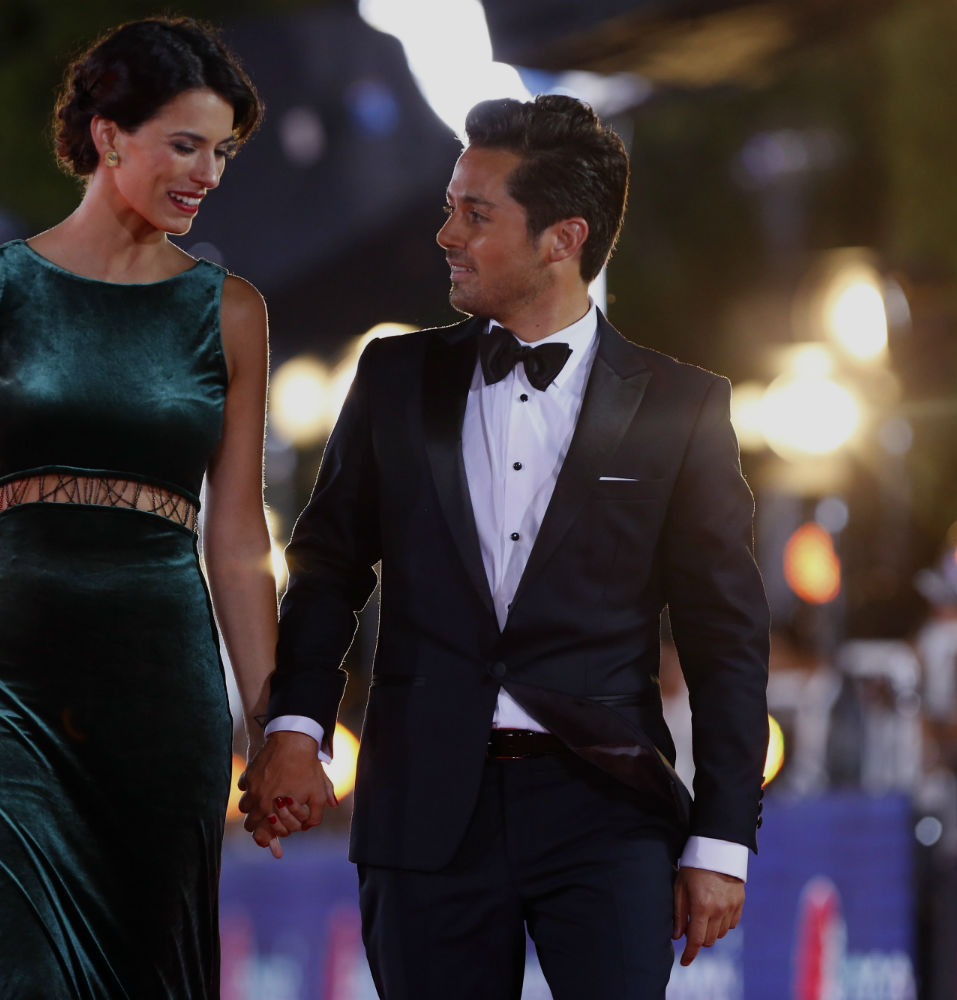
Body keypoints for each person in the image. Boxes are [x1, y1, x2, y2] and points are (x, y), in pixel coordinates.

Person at [240, 95, 770, 997]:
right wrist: (295, 727)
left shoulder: (682, 407)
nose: (446, 233)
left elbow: (726, 638)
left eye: (475, 214)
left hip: (608, 811)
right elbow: (327, 566)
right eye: (450, 207)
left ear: (563, 238)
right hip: (421, 803)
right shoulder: (394, 378)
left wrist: (721, 840)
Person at [0, 18, 276, 998]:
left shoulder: (232, 312)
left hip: (162, 690)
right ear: (109, 134)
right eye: (185, 145)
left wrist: (273, 724)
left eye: (222, 152)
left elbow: (238, 534)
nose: (207, 174)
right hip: (2, 685)